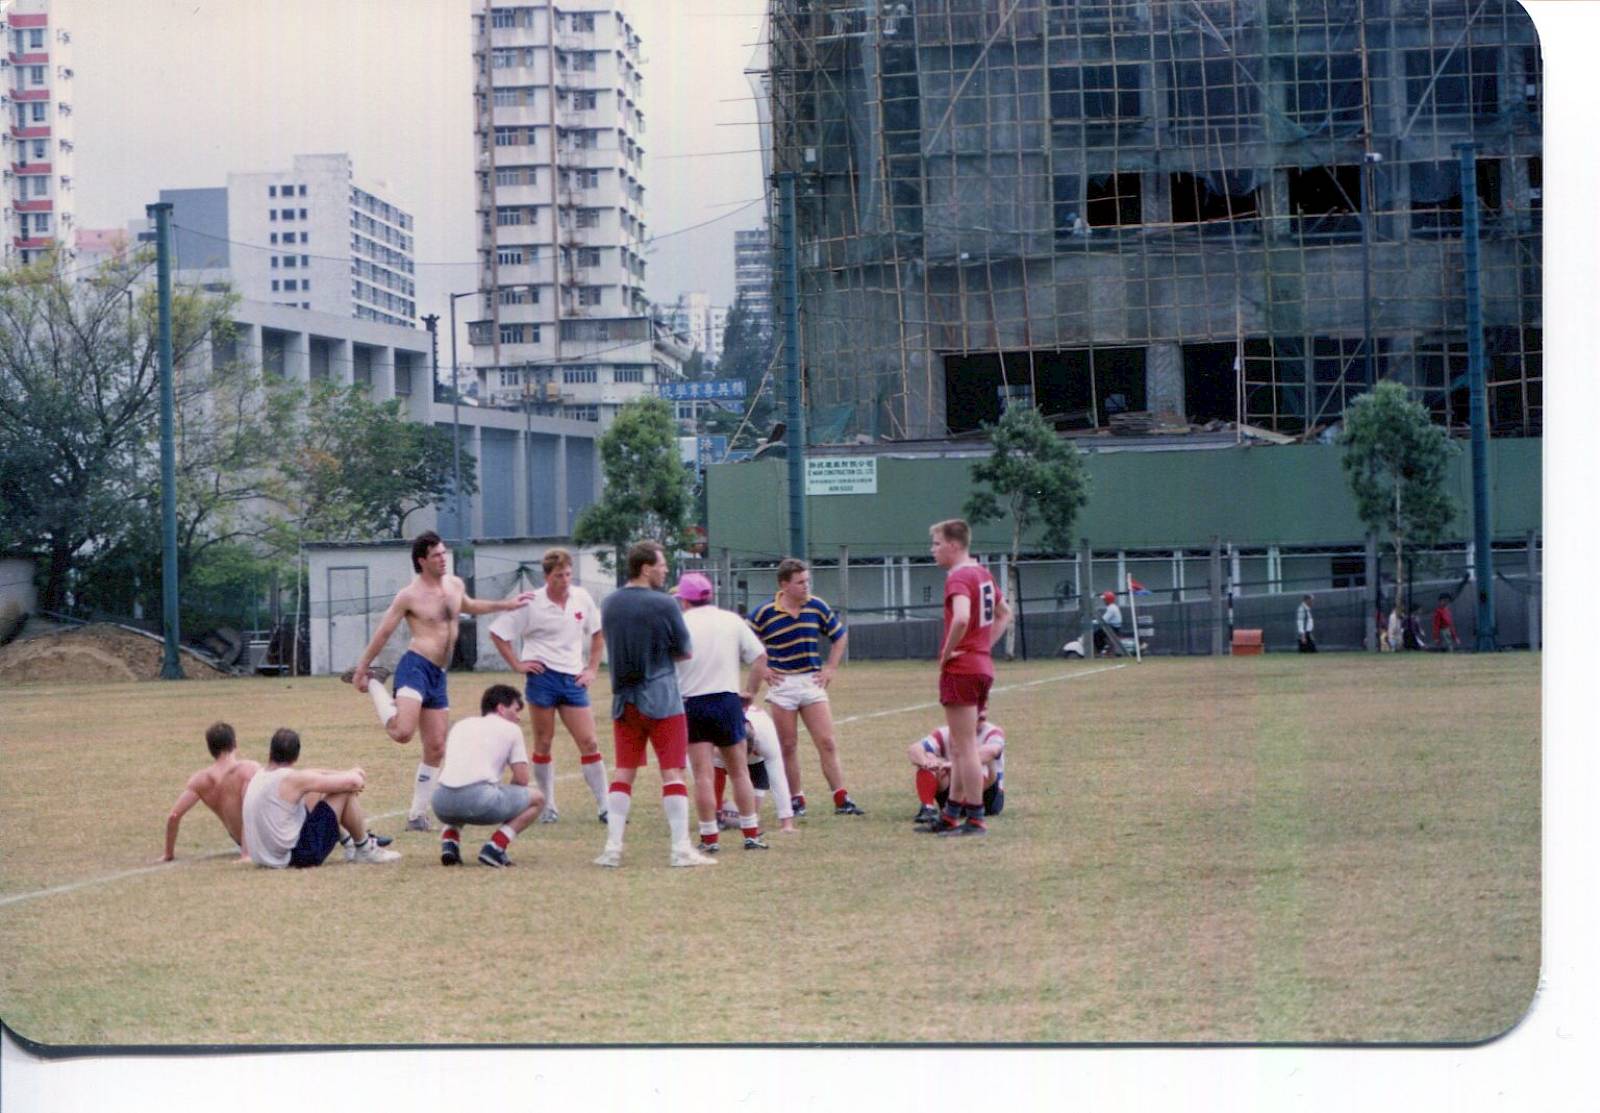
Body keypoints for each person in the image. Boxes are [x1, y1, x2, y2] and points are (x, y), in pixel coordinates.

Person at [345, 531, 534, 832]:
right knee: (402, 732)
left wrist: (506, 605)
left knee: (435, 747)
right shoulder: (409, 595)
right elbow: (384, 631)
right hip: (416, 667)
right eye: (436, 555)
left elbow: (469, 605)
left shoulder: (454, 584)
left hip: (439, 674)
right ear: (422, 561)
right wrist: (361, 668)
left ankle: (417, 816)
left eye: (444, 553)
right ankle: (375, 684)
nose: (443, 559)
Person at [594, 540, 714, 869]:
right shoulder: (665, 604)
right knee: (672, 771)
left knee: (624, 771)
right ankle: (680, 849)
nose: (665, 570)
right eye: (661, 565)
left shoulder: (610, 603)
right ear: (646, 568)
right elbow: (685, 651)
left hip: (624, 700)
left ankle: (613, 848)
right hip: (662, 698)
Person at [487, 547, 609, 825]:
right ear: (546, 577)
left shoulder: (581, 598)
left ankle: (604, 805)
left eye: (567, 575)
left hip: (573, 678)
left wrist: (591, 668)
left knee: (589, 741)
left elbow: (598, 632)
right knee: (543, 742)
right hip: (543, 678)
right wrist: (517, 664)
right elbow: (498, 632)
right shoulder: (531, 602)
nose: (564, 581)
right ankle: (548, 804)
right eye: (558, 576)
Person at [746, 557, 863, 818]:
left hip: (811, 682)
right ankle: (796, 799)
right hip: (783, 686)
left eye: (807, 581)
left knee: (827, 742)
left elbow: (839, 636)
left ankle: (841, 798)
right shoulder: (765, 612)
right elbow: (746, 641)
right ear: (784, 585)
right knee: (788, 746)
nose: (806, 586)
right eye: (800, 582)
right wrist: (763, 669)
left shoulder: (816, 606)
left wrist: (830, 668)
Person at [671, 571, 770, 854]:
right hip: (727, 701)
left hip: (692, 703)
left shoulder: (680, 623)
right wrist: (750, 691)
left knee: (703, 775)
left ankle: (709, 837)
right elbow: (760, 657)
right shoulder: (731, 619)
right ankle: (750, 833)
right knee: (739, 771)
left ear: (684, 600)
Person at [927, 518, 1012, 837]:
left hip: (962, 668)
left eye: (937, 544)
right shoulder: (983, 573)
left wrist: (948, 651)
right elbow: (1005, 613)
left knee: (963, 747)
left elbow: (961, 617)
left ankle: (975, 817)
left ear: (953, 545)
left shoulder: (959, 576)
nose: (933, 550)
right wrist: (982, 647)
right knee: (961, 745)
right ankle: (950, 815)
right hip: (981, 665)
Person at [241, 728, 401, 868]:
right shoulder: (291, 779)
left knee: (313, 789)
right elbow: (354, 783)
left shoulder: (259, 775)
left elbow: (310, 774)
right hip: (297, 856)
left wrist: (344, 773)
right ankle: (365, 849)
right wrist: (354, 775)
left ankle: (349, 842)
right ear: (296, 757)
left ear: (270, 752)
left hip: (264, 857)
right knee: (344, 791)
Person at [432, 684, 544, 868]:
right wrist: (511, 801)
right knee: (538, 799)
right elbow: (522, 779)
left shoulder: (461, 724)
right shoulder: (512, 729)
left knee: (460, 791)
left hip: (440, 802)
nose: (518, 717)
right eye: (516, 709)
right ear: (501, 708)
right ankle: (495, 847)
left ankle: (450, 842)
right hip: (479, 801)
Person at [160, 722, 261, 862]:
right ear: (235, 743)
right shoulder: (249, 769)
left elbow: (173, 817)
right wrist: (246, 854)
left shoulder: (200, 780)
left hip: (241, 840)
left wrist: (168, 853)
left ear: (210, 749)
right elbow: (249, 810)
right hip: (262, 839)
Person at [711, 697, 798, 834]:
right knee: (713, 767)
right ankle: (716, 814)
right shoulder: (720, 733)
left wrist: (787, 823)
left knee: (751, 813)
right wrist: (716, 810)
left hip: (756, 752)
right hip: (726, 741)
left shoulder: (766, 737)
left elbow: (778, 778)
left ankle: (748, 818)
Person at [908, 713, 1007, 826]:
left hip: (987, 797)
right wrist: (927, 763)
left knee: (986, 766)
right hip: (953, 792)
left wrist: (953, 766)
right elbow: (914, 749)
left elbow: (991, 752)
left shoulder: (992, 732)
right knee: (929, 756)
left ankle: (971, 810)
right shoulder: (944, 733)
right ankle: (927, 808)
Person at [1094, 590, 1123, 656]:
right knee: (1098, 633)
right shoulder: (1112, 607)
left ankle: (1098, 652)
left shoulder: (1111, 608)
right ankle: (1102, 651)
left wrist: (1093, 621)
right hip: (1113, 627)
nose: (1103, 601)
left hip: (1113, 628)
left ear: (1108, 600)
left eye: (1104, 599)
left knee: (1096, 635)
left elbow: (1103, 620)